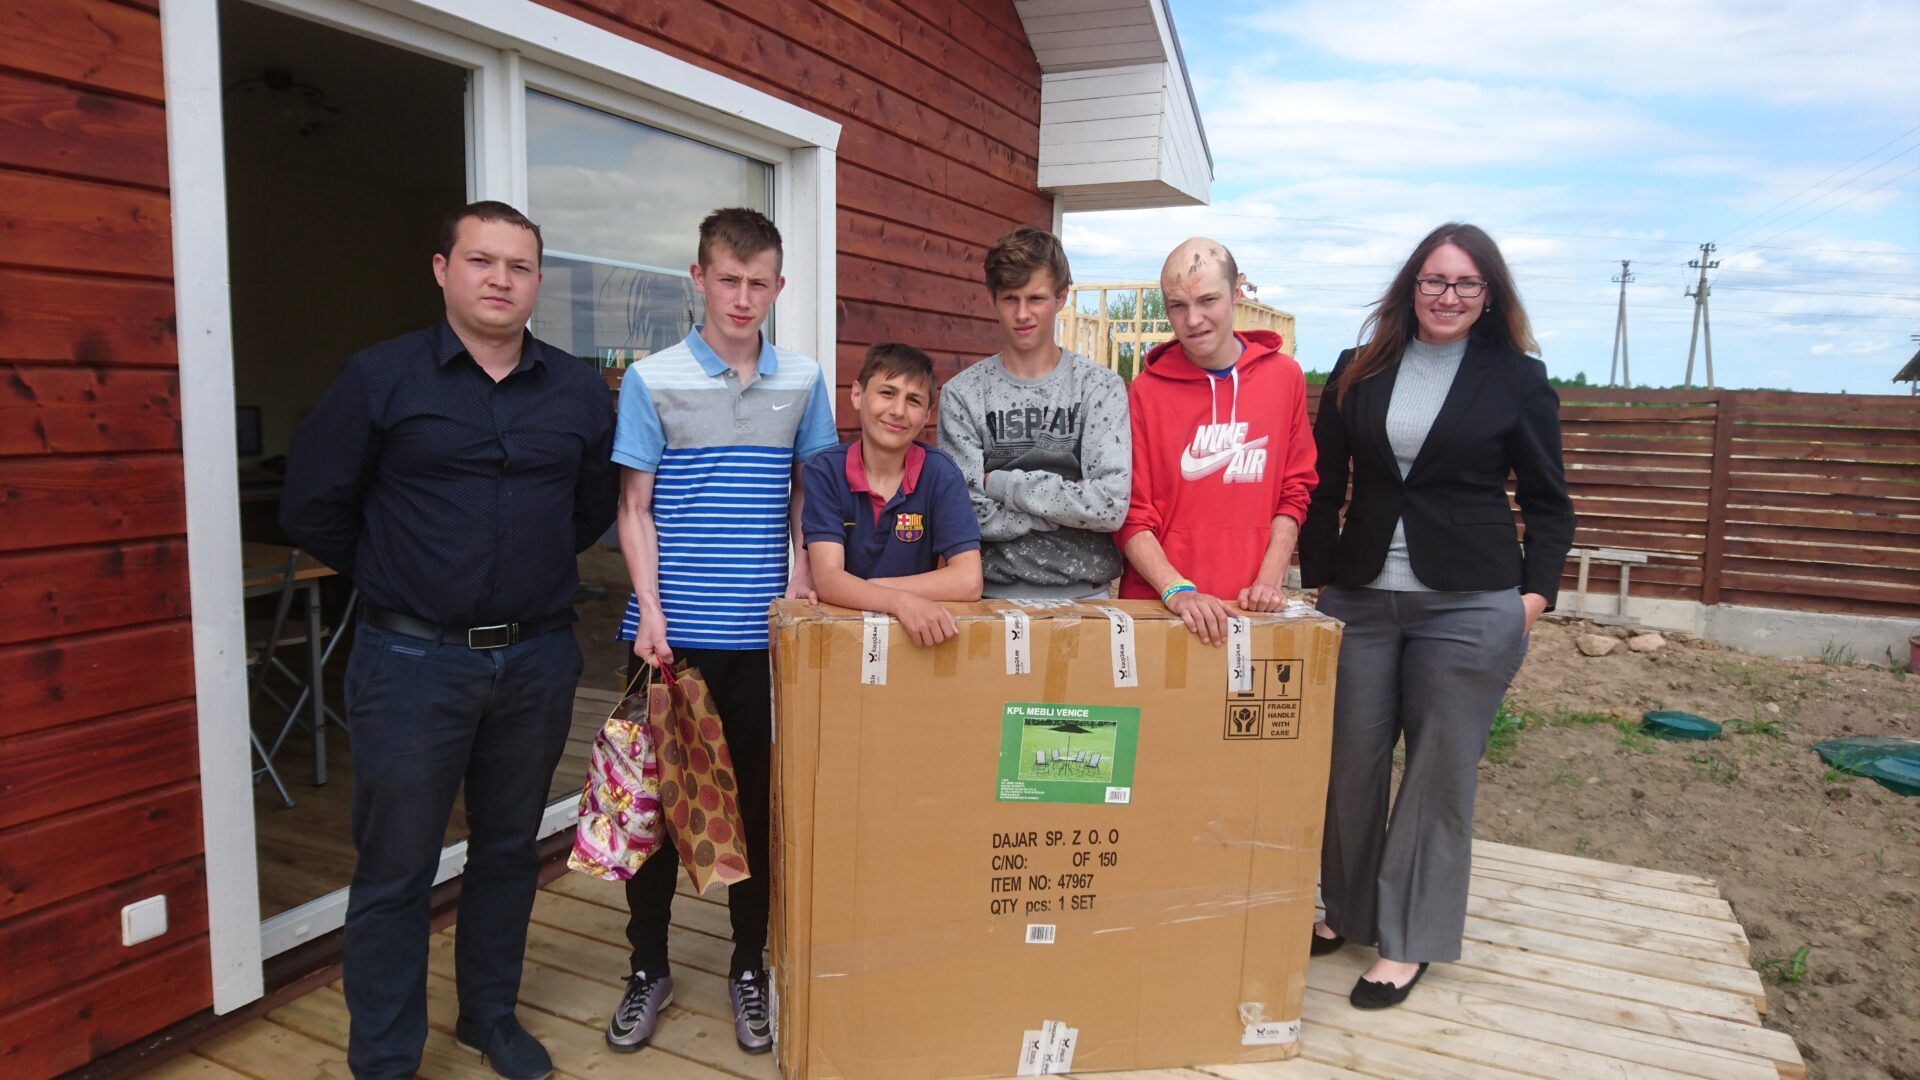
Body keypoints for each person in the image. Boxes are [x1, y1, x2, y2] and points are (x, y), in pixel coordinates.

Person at [281, 200, 618, 1080]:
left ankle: (487, 1017)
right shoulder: (380, 378)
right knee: (397, 867)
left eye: (519, 266)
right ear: (443, 270)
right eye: (482, 261)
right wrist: (401, 575)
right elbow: (313, 504)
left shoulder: (579, 390)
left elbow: (589, 510)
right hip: (410, 662)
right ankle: (387, 1056)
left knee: (510, 850)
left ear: (538, 282)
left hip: (539, 659)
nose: (500, 279)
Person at [1300, 222, 1574, 1009]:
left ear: (1488, 296)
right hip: (1360, 597)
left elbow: (1550, 502)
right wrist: (1321, 578)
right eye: (1433, 281)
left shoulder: (1516, 378)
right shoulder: (1359, 369)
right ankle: (1346, 911)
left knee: (1434, 775)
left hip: (1470, 602)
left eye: (1465, 284)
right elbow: (1323, 483)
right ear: (1410, 286)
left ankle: (1408, 940)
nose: (1447, 296)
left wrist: (1533, 597)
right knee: (1348, 764)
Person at [605, 207, 837, 1056]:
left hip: (765, 640)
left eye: (759, 283)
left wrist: (803, 579)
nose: (743, 298)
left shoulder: (803, 380)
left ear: (779, 287)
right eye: (728, 279)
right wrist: (652, 613)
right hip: (667, 641)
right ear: (697, 279)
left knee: (754, 810)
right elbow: (633, 509)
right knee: (656, 814)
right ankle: (646, 966)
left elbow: (812, 496)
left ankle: (749, 965)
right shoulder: (650, 379)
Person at [1114, 237, 1317, 638]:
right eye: (1177, 306)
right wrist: (1178, 590)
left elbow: (1295, 489)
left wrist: (1270, 579)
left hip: (1250, 606)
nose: (1193, 320)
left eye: (1208, 300)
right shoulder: (1144, 392)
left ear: (1237, 292)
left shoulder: (1284, 377)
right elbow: (1130, 513)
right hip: (1163, 606)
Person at [937, 226, 1130, 600]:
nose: (1022, 314)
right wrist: (1067, 508)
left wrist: (1001, 484)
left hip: (1085, 597)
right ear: (993, 299)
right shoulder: (963, 394)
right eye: (1010, 298)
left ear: (1061, 297)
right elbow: (966, 512)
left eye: (1036, 298)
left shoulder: (1099, 387)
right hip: (991, 595)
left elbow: (1108, 505)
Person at [803, 344, 984, 642]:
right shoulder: (826, 472)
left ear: (927, 414)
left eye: (913, 400)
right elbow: (827, 578)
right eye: (887, 393)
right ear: (857, 394)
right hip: (842, 636)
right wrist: (899, 601)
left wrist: (870, 588)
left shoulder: (940, 474)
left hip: (917, 640)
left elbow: (969, 580)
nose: (898, 411)